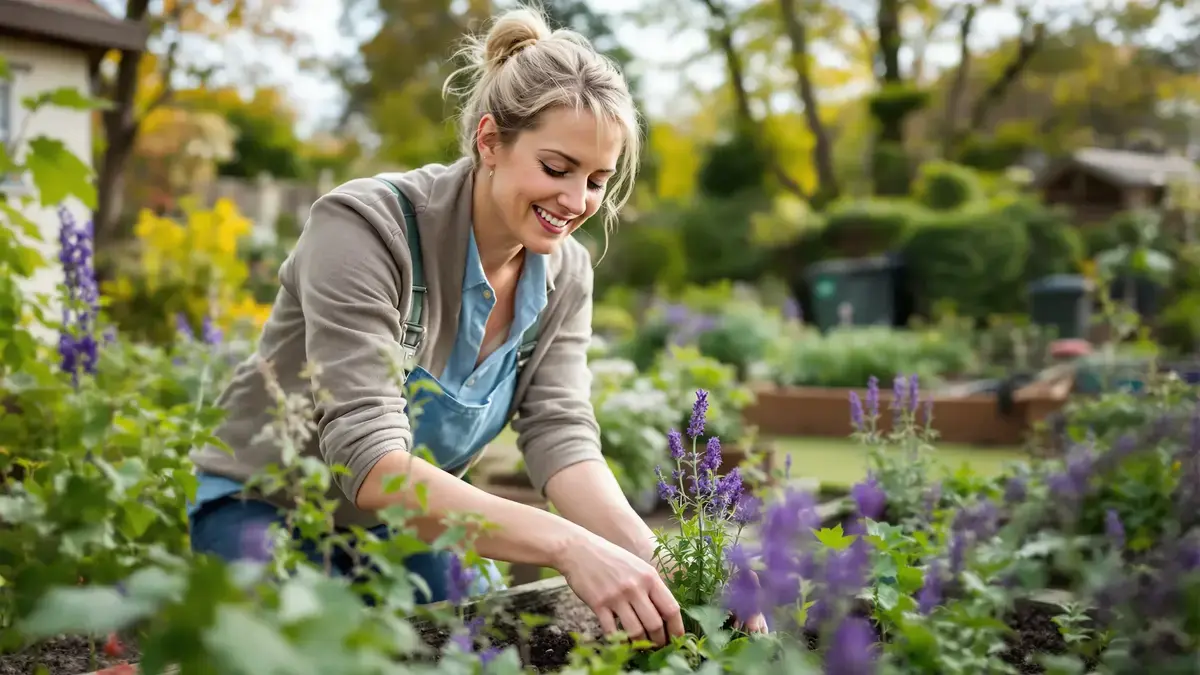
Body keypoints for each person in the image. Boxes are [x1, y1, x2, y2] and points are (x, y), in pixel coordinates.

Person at [187, 5, 753, 648]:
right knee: (279, 654)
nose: (576, 203)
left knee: (485, 646)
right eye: (557, 168)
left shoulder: (564, 273)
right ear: (490, 141)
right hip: (266, 506)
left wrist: (664, 561)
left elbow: (560, 436)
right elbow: (370, 462)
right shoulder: (365, 229)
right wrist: (568, 545)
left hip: (409, 529)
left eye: (596, 181)